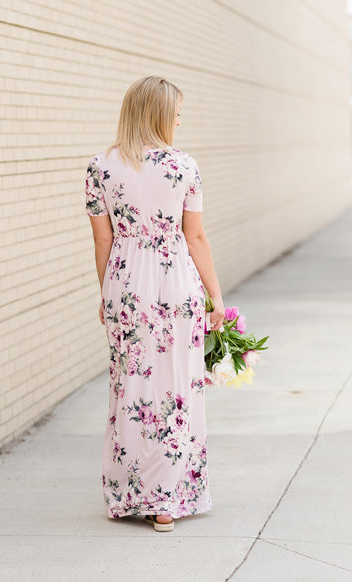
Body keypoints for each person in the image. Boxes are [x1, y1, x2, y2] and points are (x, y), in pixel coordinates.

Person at [85, 75, 225, 532]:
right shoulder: (183, 166)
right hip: (175, 283)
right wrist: (215, 295)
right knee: (177, 390)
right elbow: (195, 236)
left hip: (127, 285)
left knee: (131, 389)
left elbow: (103, 239)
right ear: (159, 114)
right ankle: (169, 499)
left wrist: (108, 292)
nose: (180, 120)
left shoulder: (99, 167)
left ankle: (131, 495)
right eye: (176, 111)